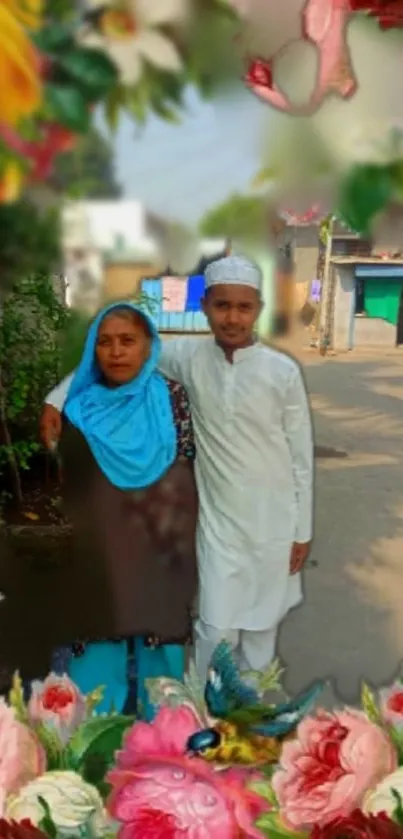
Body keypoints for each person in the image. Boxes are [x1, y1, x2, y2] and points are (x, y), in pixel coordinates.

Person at [40, 256, 314, 684]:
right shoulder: (186, 355)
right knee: (215, 627)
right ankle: (201, 716)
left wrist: (303, 529)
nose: (232, 317)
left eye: (244, 307)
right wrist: (56, 400)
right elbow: (107, 357)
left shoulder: (282, 372)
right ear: (205, 306)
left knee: (262, 630)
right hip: (219, 521)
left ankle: (249, 721)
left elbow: (301, 456)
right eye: (222, 305)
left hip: (274, 520)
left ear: (257, 309)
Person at [8, 302, 198, 716]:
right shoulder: (78, 407)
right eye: (105, 343)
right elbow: (70, 482)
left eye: (128, 341)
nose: (116, 352)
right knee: (94, 640)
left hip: (160, 540)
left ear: (149, 346)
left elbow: (186, 462)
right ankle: (94, 733)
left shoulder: (171, 398)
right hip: (99, 543)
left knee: (159, 647)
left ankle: (162, 735)